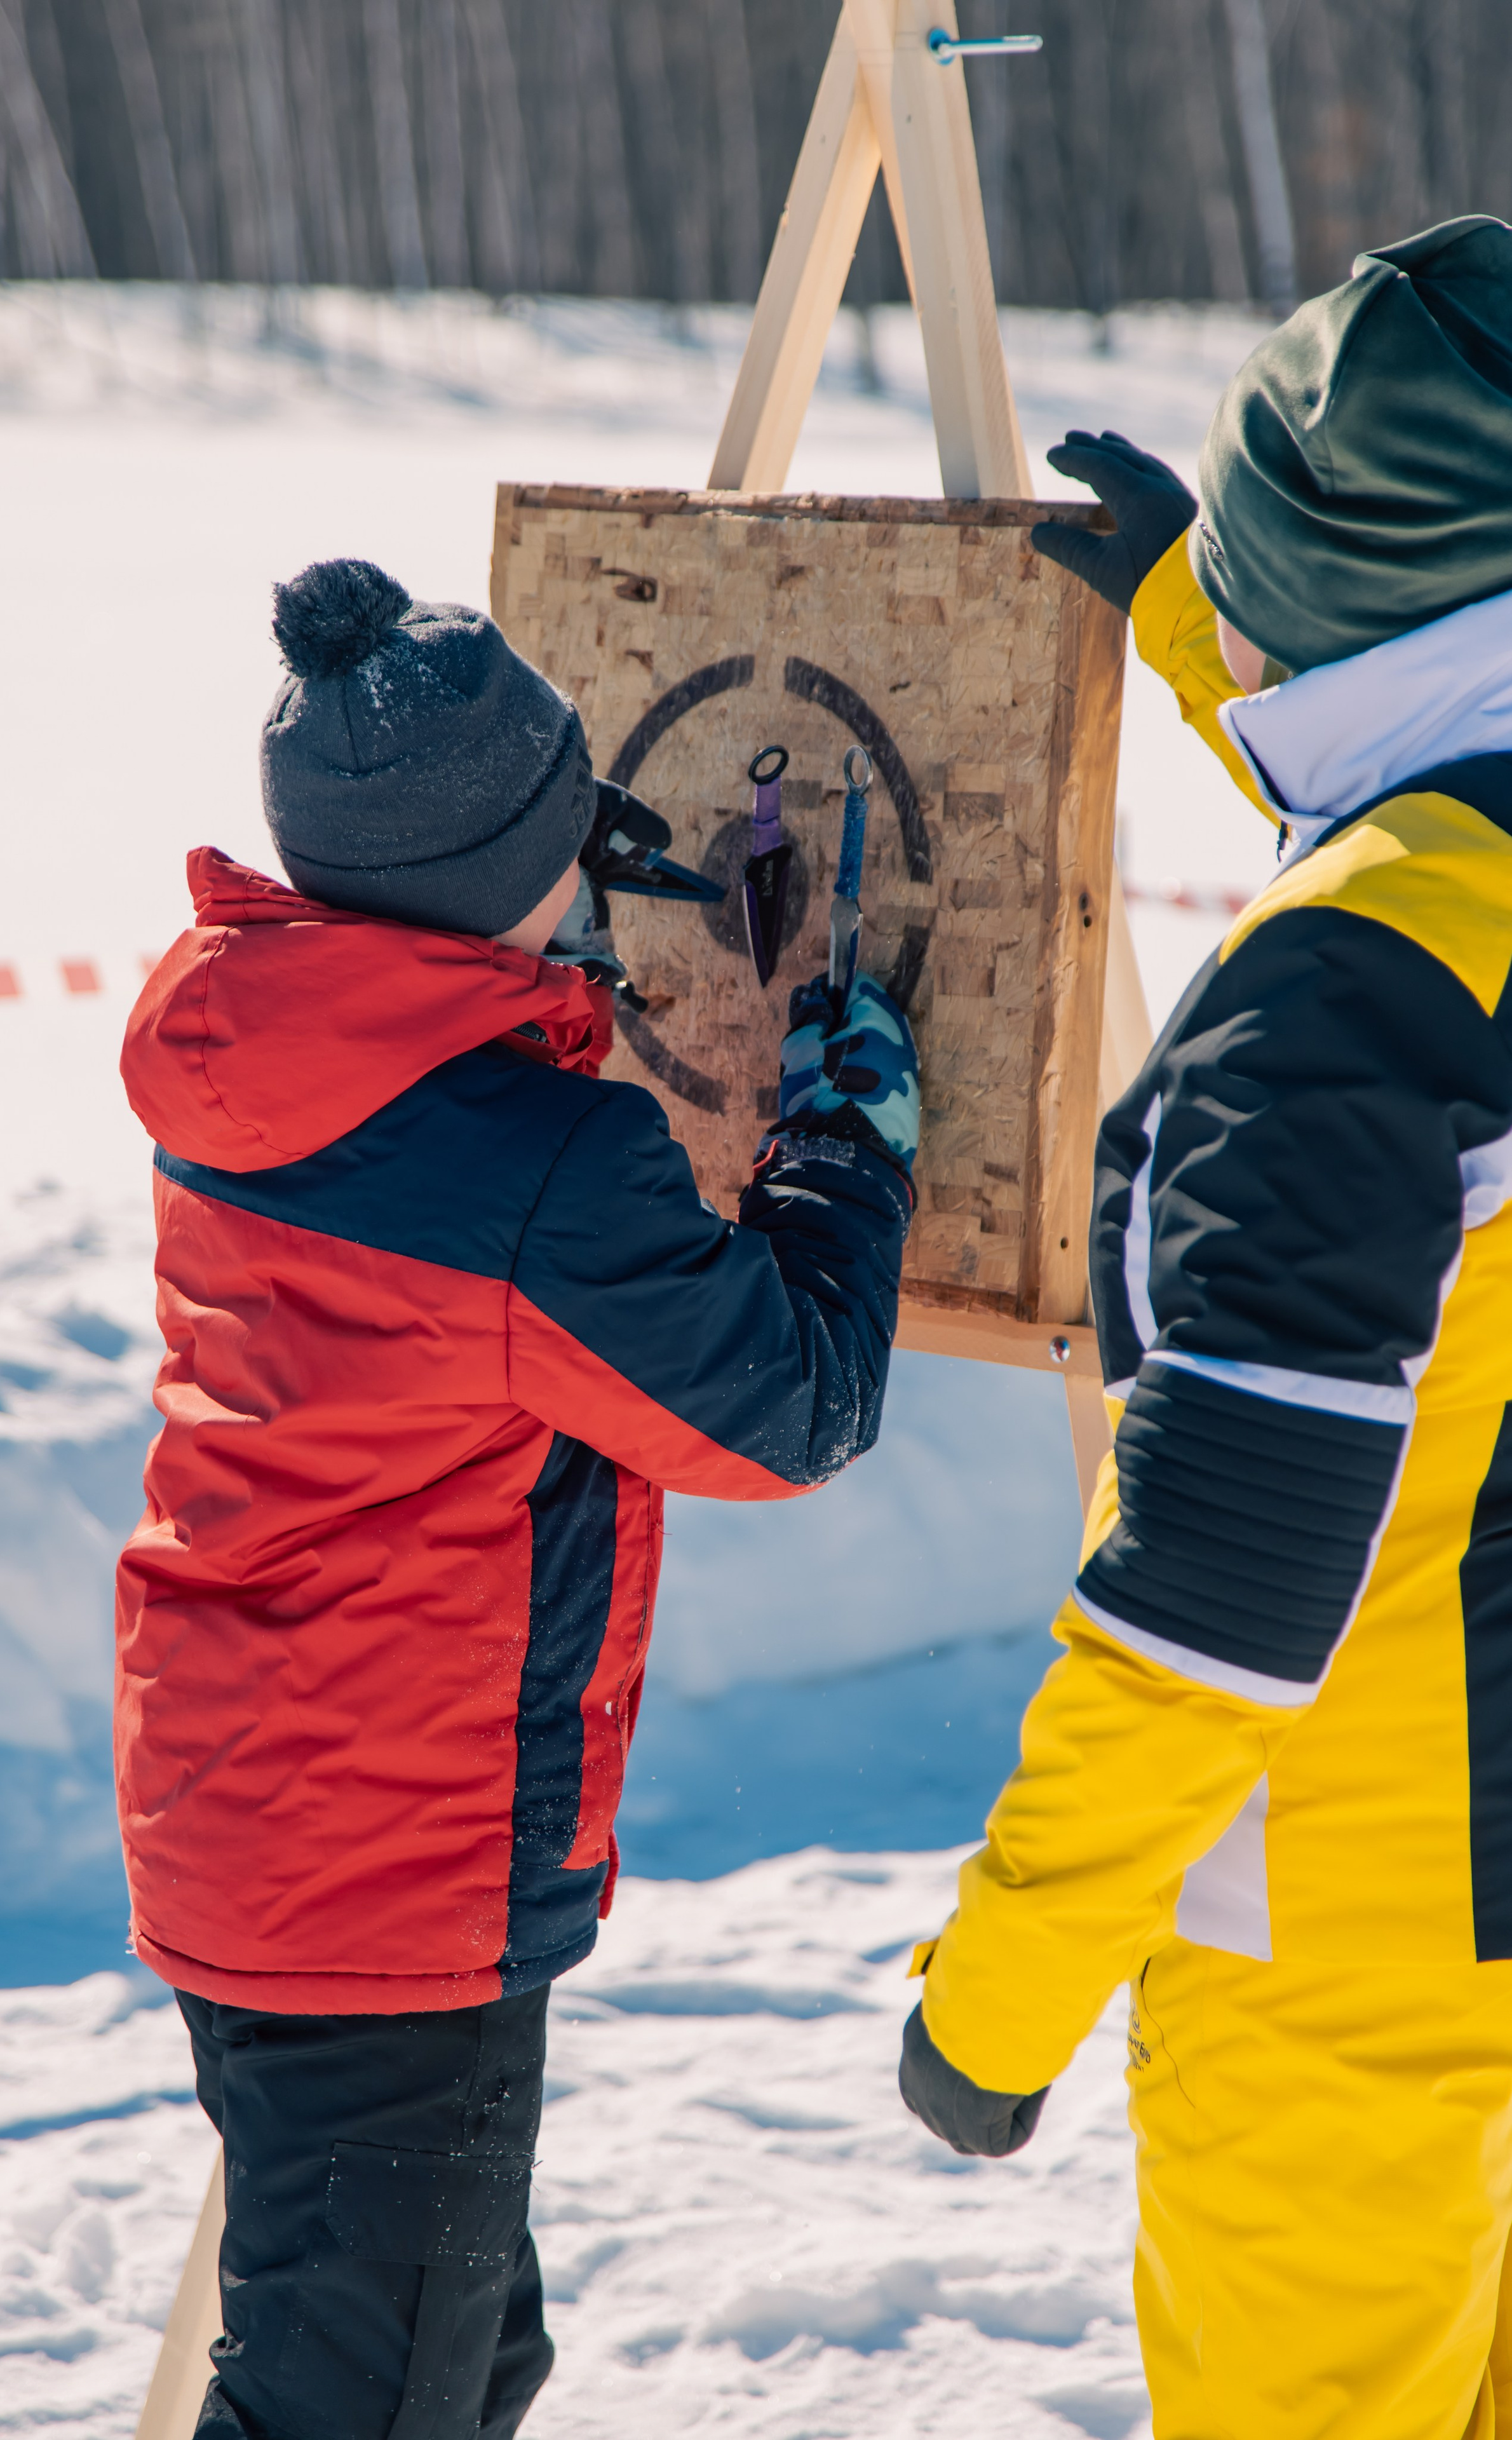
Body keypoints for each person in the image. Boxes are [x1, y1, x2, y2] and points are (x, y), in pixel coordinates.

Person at [115, 559, 919, 2440]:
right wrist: (847, 1147)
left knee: (456, 2369)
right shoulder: (529, 1169)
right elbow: (793, 1406)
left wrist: (532, 932)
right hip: (388, 1878)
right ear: (501, 882)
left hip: (265, 1821)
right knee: (365, 2408)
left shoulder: (253, 1053)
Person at [900, 214, 1512, 2437]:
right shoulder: (1446, 915)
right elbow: (1427, 777)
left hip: (1369, 1958)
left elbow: (1229, 1587)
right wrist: (1193, 612)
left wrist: (1003, 1989)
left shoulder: (1344, 996)